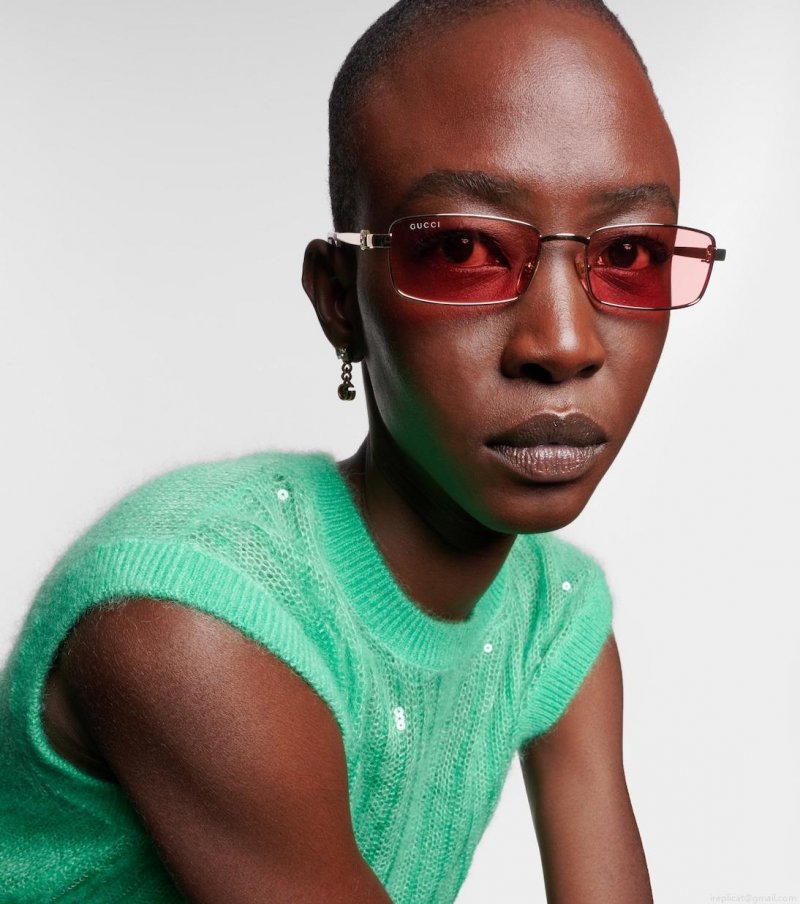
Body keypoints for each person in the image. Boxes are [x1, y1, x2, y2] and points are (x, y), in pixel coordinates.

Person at [0, 1, 726, 902]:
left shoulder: (551, 617)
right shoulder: (192, 616)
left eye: (632, 253)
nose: (564, 343)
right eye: (463, 247)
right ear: (340, 299)